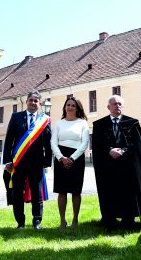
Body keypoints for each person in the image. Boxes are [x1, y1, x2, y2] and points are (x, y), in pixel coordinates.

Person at [92, 95, 141, 230]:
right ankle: (110, 219)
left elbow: (139, 144)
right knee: (110, 190)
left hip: (128, 165)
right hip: (108, 165)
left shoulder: (132, 123)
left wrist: (123, 150)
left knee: (128, 191)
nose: (117, 106)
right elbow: (97, 145)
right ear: (108, 107)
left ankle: (127, 219)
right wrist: (110, 150)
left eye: (119, 104)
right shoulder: (99, 124)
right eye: (114, 104)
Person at [3, 91, 52, 229]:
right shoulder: (16, 117)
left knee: (37, 192)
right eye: (30, 100)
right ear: (26, 102)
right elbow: (8, 141)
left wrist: (47, 162)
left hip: (37, 162)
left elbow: (48, 143)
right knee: (17, 192)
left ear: (39, 104)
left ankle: (37, 221)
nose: (33, 103)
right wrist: (8, 161)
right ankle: (20, 222)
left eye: (36, 101)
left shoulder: (44, 120)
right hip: (18, 162)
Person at [50, 97, 90, 230]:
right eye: (68, 105)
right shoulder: (59, 123)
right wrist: (61, 158)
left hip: (76, 159)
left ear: (77, 108)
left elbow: (84, 143)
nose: (70, 107)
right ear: (64, 107)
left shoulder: (83, 123)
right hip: (61, 159)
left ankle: (75, 220)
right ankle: (62, 221)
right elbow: (53, 142)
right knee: (61, 191)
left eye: (73, 105)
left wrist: (71, 158)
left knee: (75, 192)